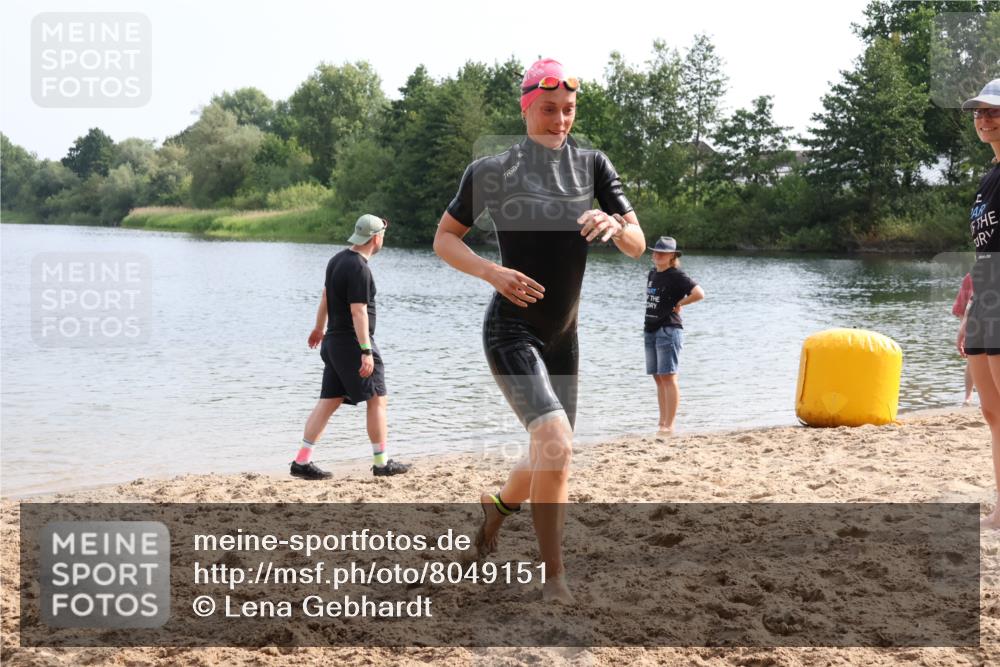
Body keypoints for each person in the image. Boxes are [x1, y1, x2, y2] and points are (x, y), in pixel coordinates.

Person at [433, 58, 646, 603]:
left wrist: (616, 225)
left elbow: (639, 243)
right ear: (527, 107)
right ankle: (555, 578)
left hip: (564, 335)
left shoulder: (593, 164)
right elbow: (445, 239)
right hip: (511, 330)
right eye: (548, 109)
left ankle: (496, 510)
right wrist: (491, 272)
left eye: (568, 110)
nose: (559, 120)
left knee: (551, 449)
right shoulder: (492, 171)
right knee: (554, 442)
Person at [290, 214, 411, 480]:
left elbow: (325, 296)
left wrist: (319, 328)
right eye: (383, 236)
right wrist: (366, 350)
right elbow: (359, 312)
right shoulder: (359, 268)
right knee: (377, 399)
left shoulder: (337, 259)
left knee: (328, 401)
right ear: (376, 238)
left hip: (333, 341)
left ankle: (301, 462)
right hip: (352, 345)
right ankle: (381, 463)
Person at [956, 79, 1000, 529]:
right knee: (991, 411)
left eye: (993, 112)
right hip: (988, 286)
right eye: (979, 113)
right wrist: (970, 310)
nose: (984, 119)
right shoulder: (989, 177)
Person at [644, 236, 705, 434]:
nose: (658, 255)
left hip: (668, 330)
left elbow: (699, 293)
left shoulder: (676, 275)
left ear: (672, 256)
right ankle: (661, 422)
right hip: (650, 328)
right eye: (655, 251)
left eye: (663, 252)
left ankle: (669, 424)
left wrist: (680, 304)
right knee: (658, 378)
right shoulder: (653, 273)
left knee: (669, 377)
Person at [952, 272, 975, 405]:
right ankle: (968, 397)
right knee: (973, 360)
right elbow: (963, 306)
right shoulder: (971, 277)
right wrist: (964, 331)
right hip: (975, 324)